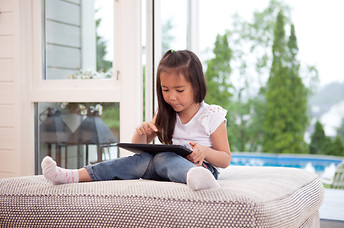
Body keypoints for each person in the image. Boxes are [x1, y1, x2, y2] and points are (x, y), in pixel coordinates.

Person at [41, 49, 231, 191]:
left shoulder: (211, 115)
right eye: (165, 90)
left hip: (200, 167)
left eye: (179, 90)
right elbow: (139, 146)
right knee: (140, 160)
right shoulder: (166, 113)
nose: (171, 97)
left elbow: (225, 158)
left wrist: (204, 152)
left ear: (196, 86)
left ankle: (198, 179)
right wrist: (142, 132)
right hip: (163, 167)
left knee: (164, 157)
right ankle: (70, 175)